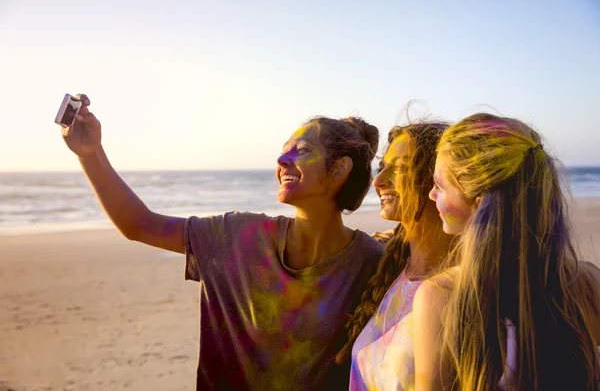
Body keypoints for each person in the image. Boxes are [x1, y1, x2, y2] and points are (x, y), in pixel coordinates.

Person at [60, 94, 385, 390]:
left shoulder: (373, 263)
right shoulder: (239, 236)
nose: (283, 160)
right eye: (284, 149)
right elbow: (139, 225)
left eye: (301, 151)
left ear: (340, 169)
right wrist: (90, 153)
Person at [416, 113, 600, 390]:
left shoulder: (443, 295)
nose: (431, 195)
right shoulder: (588, 280)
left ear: (478, 202)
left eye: (439, 186)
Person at [334, 121, 454, 390]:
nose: (378, 181)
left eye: (399, 168)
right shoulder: (390, 269)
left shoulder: (457, 289)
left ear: (440, 178)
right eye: (382, 168)